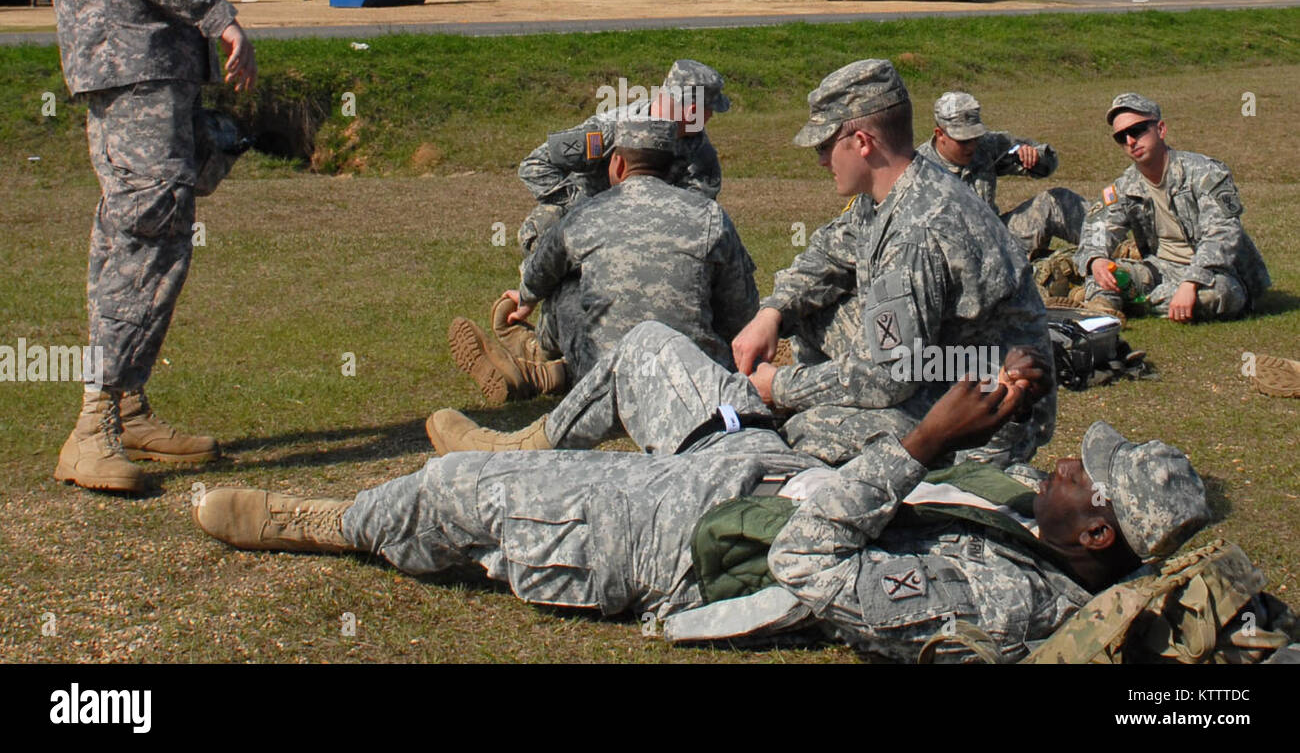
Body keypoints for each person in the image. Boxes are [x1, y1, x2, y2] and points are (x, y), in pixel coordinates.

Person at [192, 322, 1210, 664]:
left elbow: (810, 564)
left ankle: (332, 526)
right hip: (751, 455)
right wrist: (1004, 393)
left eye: (1085, 475)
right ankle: (537, 430)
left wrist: (920, 442)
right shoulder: (1040, 510)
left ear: (1098, 532)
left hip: (691, 536)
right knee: (644, 346)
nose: (1066, 463)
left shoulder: (1002, 608)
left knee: (455, 491)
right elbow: (985, 453)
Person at [39, 0, 258, 494]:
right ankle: (92, 424)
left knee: (159, 222)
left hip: (160, 59)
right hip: (127, 61)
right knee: (143, 225)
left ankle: (126, 405)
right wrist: (214, 10)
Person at [732, 60, 1055, 469]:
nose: (820, 161)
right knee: (814, 309)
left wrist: (779, 387)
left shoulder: (916, 231)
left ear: (862, 142)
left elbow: (889, 376)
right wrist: (772, 313)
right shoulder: (893, 191)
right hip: (942, 367)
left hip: (986, 415)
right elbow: (827, 253)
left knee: (807, 430)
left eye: (824, 146)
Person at [430, 117, 759, 450]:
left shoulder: (587, 213)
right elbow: (742, 313)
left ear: (617, 162)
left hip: (605, 381)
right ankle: (541, 373)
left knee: (567, 287)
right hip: (695, 376)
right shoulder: (711, 217)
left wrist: (526, 298)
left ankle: (540, 355)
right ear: (673, 166)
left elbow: (542, 270)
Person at [1076, 93, 1270, 322]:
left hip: (1217, 272)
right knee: (1105, 273)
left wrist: (1191, 282)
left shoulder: (1206, 173)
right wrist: (1095, 259)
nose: (1130, 141)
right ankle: (1107, 300)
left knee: (1216, 295)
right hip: (1160, 268)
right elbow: (1098, 226)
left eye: (1137, 131)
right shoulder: (1126, 186)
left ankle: (1116, 301)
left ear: (1160, 129)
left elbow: (1223, 233)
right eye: (1121, 137)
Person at [515, 58, 727, 253]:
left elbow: (699, 211)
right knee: (548, 222)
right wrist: (585, 209)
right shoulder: (611, 129)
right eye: (710, 110)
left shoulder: (699, 152)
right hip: (589, 224)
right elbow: (536, 165)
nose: (711, 117)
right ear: (692, 111)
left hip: (651, 233)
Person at [915, 91, 1085, 259]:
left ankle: (1103, 245)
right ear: (940, 134)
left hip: (998, 238)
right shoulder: (918, 170)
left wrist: (1033, 157)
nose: (971, 146)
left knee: (1056, 201)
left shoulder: (986, 145)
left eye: (975, 137)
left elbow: (1048, 163)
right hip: (955, 258)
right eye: (963, 140)